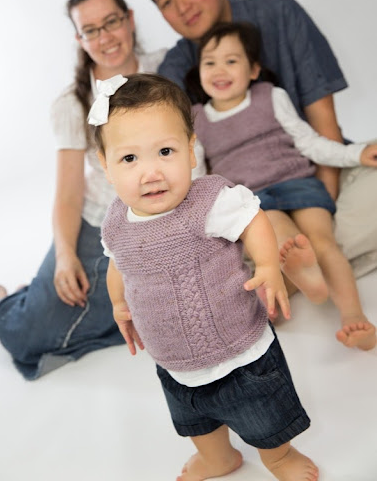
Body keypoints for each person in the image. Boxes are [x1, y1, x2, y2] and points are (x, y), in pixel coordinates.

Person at [92, 72, 318, 481]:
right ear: (106, 166)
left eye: (165, 151)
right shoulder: (115, 223)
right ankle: (218, 458)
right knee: (197, 421)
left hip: (242, 351)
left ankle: (279, 457)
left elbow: (253, 219)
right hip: (175, 363)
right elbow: (117, 264)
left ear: (191, 150)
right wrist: (120, 304)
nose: (151, 172)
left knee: (266, 415)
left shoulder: (208, 201)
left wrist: (268, 265)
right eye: (129, 159)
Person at [0, 0, 168, 380]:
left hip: (172, 223)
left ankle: (38, 296)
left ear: (130, 19)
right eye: (91, 30)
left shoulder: (170, 67)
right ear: (79, 39)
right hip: (105, 225)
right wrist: (66, 255)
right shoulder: (73, 104)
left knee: (164, 316)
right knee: (31, 334)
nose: (105, 38)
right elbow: (68, 193)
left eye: (112, 22)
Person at [140, 0, 377, 278]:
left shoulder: (281, 14)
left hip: (313, 174)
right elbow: (193, 170)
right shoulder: (174, 71)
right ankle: (318, 262)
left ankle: (300, 267)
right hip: (251, 206)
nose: (182, 7)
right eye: (166, 3)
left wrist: (324, 208)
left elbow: (324, 126)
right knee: (228, 249)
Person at [189, 21, 376, 350]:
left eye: (231, 60)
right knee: (282, 239)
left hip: (297, 181)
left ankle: (353, 317)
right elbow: (198, 177)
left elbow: (308, 142)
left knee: (323, 241)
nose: (219, 70)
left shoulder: (270, 96)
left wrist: (355, 153)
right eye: (210, 62)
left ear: (253, 70)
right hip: (252, 199)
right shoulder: (197, 120)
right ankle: (307, 278)